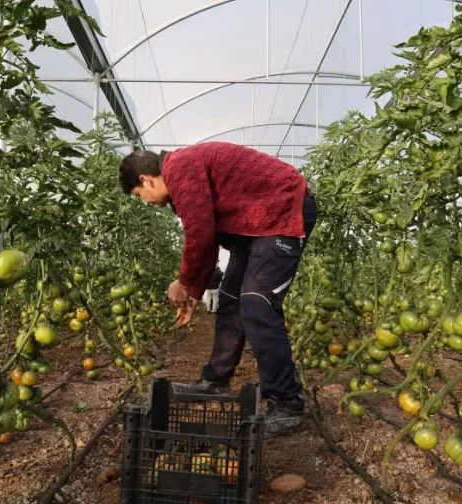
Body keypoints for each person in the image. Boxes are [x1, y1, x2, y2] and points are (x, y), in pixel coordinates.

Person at [118, 141, 317, 437]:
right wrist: (195, 293)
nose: (145, 201)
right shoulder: (182, 172)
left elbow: (199, 232)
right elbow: (208, 241)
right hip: (254, 230)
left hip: (283, 212)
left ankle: (287, 401)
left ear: (146, 179)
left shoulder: (179, 167)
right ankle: (216, 379)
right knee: (231, 301)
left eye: (139, 195)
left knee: (256, 303)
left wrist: (183, 282)